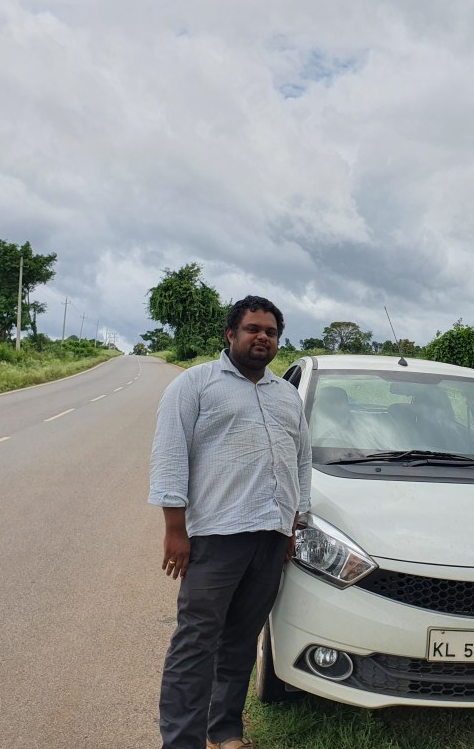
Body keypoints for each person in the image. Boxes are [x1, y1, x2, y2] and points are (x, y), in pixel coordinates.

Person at [149, 295, 311, 749]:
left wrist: (293, 524)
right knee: (196, 642)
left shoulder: (286, 396)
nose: (263, 337)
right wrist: (175, 530)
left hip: (271, 538)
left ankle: (224, 730)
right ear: (230, 334)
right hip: (216, 536)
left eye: (271, 332)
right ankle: (181, 740)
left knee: (241, 640)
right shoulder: (195, 384)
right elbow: (169, 455)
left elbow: (301, 461)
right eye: (253, 329)